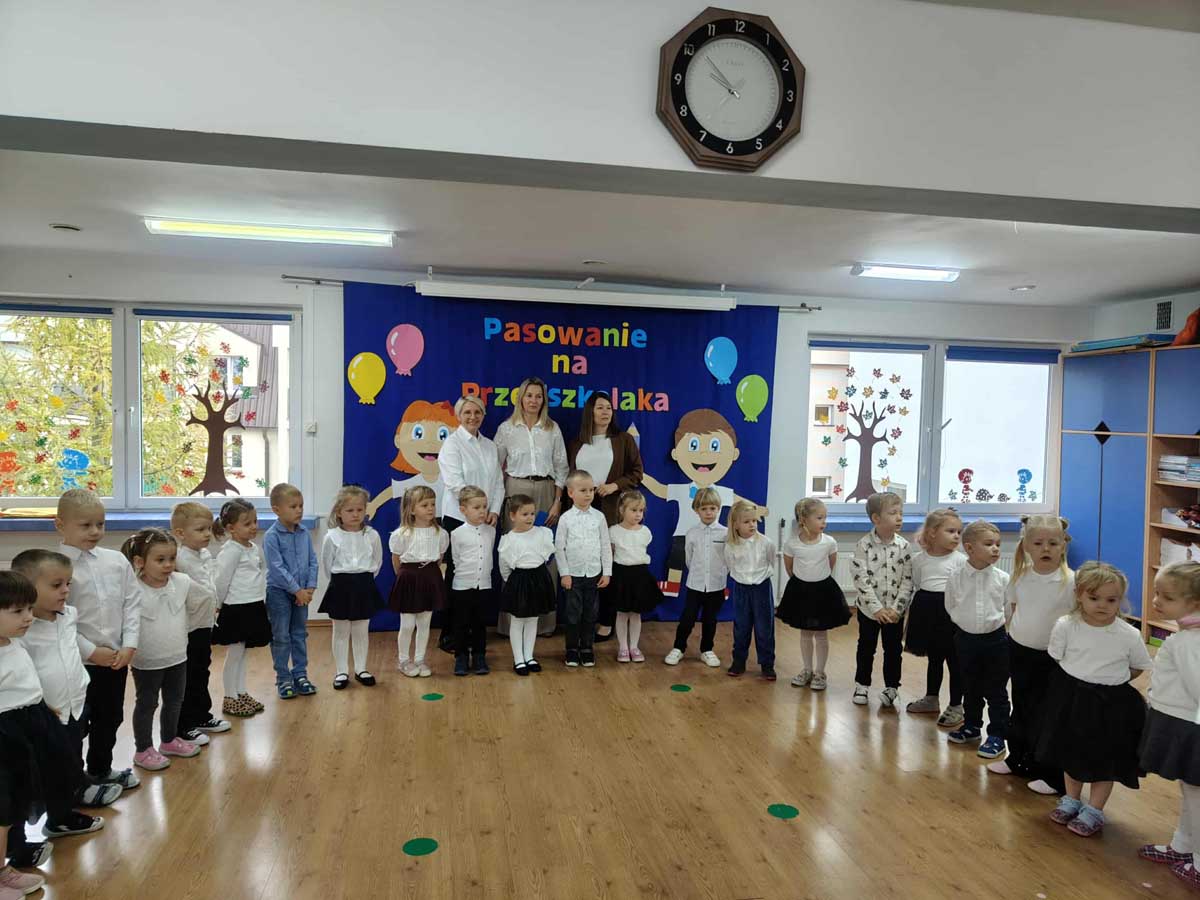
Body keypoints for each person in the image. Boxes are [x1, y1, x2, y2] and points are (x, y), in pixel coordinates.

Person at [1037, 562, 1152, 838]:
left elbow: (1138, 666)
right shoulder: (1066, 625)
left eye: (1111, 600)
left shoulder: (1129, 634)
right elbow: (1058, 657)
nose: (1102, 605)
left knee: (1105, 759)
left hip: (1111, 706)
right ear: (1079, 595)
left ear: (1120, 600)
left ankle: (1095, 810)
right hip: (1072, 699)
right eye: (1094, 598)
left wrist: (1108, 679)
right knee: (1070, 751)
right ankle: (1071, 800)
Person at [11, 550, 110, 841]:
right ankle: (54, 820)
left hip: (75, 704)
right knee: (46, 769)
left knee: (71, 758)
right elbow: (21, 674)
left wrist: (92, 657)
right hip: (45, 712)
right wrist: (41, 706)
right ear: (27, 586)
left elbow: (72, 643)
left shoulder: (69, 615)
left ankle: (67, 807)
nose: (66, 590)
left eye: (68, 583)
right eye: (56, 585)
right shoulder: (21, 630)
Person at [56, 488, 141, 790]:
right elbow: (56, 619)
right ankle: (75, 782)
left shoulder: (116, 561)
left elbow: (132, 603)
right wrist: (91, 652)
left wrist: (129, 644)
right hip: (76, 664)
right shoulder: (55, 568)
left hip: (115, 660)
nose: (95, 531)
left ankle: (101, 770)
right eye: (85, 525)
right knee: (77, 723)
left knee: (111, 718)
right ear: (60, 525)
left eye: (100, 524)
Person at [987, 515, 1074, 793]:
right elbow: (1014, 610)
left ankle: (1052, 775)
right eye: (1038, 543)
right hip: (1020, 650)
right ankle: (1018, 760)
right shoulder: (1020, 576)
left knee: (1049, 715)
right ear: (1026, 546)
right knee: (1022, 706)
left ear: (1063, 545)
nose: (1045, 549)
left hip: (1055, 659)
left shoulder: (1071, 581)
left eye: (1053, 543)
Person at [641, 407, 766, 597]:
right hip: (683, 534)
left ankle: (720, 586)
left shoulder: (721, 492)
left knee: (718, 558)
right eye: (694, 445)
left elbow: (740, 503)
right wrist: (639, 475)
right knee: (677, 557)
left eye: (715, 446)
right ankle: (673, 585)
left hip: (713, 534)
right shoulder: (683, 489)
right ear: (676, 453)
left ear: (733, 453)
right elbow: (659, 489)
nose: (704, 454)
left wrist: (758, 510)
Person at [0, 570, 68, 899]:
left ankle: (8, 863)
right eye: (18, 611)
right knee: (2, 811)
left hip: (26, 726)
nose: (28, 617)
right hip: (4, 735)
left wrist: (40, 705)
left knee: (15, 806)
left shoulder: (13, 643)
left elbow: (22, 682)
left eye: (29, 608)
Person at [121, 529, 208, 772]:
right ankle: (143, 749)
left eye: (172, 558)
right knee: (147, 703)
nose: (168, 565)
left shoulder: (181, 582)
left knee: (174, 701)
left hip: (178, 655)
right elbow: (125, 622)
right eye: (160, 560)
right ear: (140, 562)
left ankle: (168, 740)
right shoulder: (133, 588)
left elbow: (204, 600)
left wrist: (187, 628)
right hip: (148, 659)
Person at [1137, 562, 1200, 890]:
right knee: (1189, 791)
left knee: (1196, 795)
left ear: (1195, 604)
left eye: (1167, 597)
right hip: (1180, 722)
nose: (1156, 601)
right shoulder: (1186, 636)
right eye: (1157, 592)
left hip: (1188, 727)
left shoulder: (1189, 642)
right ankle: (1183, 845)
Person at [565, 393, 642, 640]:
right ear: (590, 412)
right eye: (600, 408)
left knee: (608, 562)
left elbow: (637, 472)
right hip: (581, 509)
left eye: (609, 408)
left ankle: (606, 621)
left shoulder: (623, 439)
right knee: (582, 560)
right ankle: (580, 621)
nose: (605, 412)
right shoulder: (576, 443)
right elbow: (569, 476)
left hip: (610, 507)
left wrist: (614, 486)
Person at [495, 377, 568, 638]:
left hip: (546, 491)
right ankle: (511, 623)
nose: (534, 400)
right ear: (520, 398)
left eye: (538, 396)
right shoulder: (506, 429)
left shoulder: (552, 428)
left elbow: (561, 467)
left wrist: (557, 501)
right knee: (514, 554)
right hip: (515, 489)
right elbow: (495, 467)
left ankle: (545, 624)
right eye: (529, 395)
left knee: (544, 555)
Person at [437, 395, 504, 652]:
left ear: (483, 415)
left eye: (477, 412)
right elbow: (455, 483)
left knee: (480, 573)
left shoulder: (489, 446)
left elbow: (498, 482)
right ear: (458, 415)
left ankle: (474, 634)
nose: (472, 417)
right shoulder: (451, 445)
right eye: (467, 412)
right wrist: (474, 510)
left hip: (486, 519)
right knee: (457, 576)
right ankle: (450, 635)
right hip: (459, 517)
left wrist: (493, 510)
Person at [944, 520, 1011, 760]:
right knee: (970, 686)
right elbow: (951, 605)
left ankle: (998, 735)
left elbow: (1007, 609)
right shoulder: (956, 577)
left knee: (996, 690)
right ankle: (972, 726)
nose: (995, 549)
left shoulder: (1003, 578)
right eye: (989, 544)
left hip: (996, 641)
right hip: (966, 640)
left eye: (998, 544)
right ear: (970, 548)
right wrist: (966, 624)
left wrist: (996, 626)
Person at [170, 501, 230, 743]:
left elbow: (209, 584)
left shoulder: (204, 554)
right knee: (186, 677)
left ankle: (201, 715)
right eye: (200, 529)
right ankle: (183, 724)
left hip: (205, 624)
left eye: (208, 528)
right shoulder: (179, 559)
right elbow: (188, 591)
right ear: (180, 533)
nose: (207, 534)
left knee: (202, 671)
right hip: (187, 628)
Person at [777, 498, 851, 691]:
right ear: (803, 520)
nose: (824, 522)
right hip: (801, 592)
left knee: (821, 634)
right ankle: (807, 669)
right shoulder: (792, 544)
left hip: (823, 592)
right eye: (819, 518)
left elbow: (831, 564)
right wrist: (804, 584)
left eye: (825, 517)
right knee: (805, 633)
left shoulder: (829, 542)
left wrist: (817, 581)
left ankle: (820, 672)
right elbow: (790, 569)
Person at [849, 492, 912, 709]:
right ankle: (862, 685)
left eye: (901, 513)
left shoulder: (904, 546)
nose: (899, 517)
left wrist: (897, 609)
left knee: (893, 650)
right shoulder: (863, 545)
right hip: (869, 611)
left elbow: (907, 581)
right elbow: (861, 579)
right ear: (876, 518)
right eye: (893, 513)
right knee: (866, 648)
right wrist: (876, 609)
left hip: (894, 613)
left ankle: (892, 688)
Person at [903, 508, 965, 725]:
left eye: (959, 532)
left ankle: (956, 705)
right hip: (927, 613)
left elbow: (963, 590)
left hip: (951, 615)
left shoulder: (960, 560)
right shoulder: (919, 560)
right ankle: (931, 698)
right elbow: (918, 582)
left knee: (954, 661)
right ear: (932, 533)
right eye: (951, 531)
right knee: (934, 659)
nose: (956, 536)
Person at [318, 485, 383, 690]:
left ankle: (361, 669)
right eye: (350, 510)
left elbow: (377, 561)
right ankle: (341, 671)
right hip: (341, 586)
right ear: (339, 512)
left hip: (364, 584)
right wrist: (342, 581)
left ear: (365, 510)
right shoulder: (332, 536)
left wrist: (364, 579)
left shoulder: (372, 535)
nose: (355, 514)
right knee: (341, 630)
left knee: (361, 629)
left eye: (359, 510)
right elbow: (327, 565)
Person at [212, 499, 272, 718]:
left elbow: (262, 572)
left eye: (255, 521)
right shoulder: (231, 551)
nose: (254, 527)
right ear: (231, 528)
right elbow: (221, 580)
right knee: (235, 654)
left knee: (244, 654)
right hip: (236, 609)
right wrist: (217, 605)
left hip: (252, 605)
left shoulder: (254, 548)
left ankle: (241, 691)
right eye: (247, 524)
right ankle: (230, 697)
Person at [263, 483, 318, 700]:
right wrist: (296, 590)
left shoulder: (304, 533)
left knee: (299, 634)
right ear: (276, 510)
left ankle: (300, 674)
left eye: (301, 506)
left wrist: (310, 587)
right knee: (281, 637)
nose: (299, 510)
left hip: (302, 592)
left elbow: (312, 560)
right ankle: (283, 678)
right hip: (279, 593)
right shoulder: (271, 536)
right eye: (293, 506)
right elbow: (277, 569)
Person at [388, 485, 449, 677]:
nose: (430, 508)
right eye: (424, 505)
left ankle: (420, 659)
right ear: (412, 509)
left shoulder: (440, 533)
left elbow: (439, 558)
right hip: (409, 578)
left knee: (424, 623)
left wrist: (429, 575)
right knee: (407, 624)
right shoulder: (402, 534)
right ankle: (403, 660)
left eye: (433, 504)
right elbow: (396, 560)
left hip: (430, 577)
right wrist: (406, 578)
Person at [555, 470, 613, 668]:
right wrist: (564, 573)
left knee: (590, 614)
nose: (588, 494)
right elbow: (559, 548)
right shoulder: (565, 518)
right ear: (571, 493)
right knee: (573, 615)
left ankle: (587, 649)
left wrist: (607, 572)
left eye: (591, 490)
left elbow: (605, 545)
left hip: (594, 574)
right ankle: (572, 649)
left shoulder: (599, 517)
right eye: (583, 490)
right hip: (573, 575)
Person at [366, 399, 458, 521]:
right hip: (420, 525)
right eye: (418, 433)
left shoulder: (451, 480)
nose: (430, 443)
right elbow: (393, 491)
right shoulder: (414, 483)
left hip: (447, 524)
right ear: (398, 440)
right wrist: (373, 505)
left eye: (443, 435)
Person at [665, 487, 727, 668]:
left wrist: (720, 574)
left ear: (718, 509)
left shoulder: (725, 533)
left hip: (716, 585)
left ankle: (707, 650)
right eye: (704, 509)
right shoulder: (692, 533)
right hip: (695, 584)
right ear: (696, 510)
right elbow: (689, 559)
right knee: (688, 618)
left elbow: (728, 558)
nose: (708, 512)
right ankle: (678, 648)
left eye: (712, 508)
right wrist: (698, 573)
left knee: (710, 619)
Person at [498, 494, 557, 676]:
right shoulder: (509, 539)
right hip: (519, 580)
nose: (530, 517)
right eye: (524, 514)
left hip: (538, 578)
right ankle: (518, 659)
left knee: (533, 619)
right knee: (518, 621)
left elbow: (546, 557)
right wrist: (513, 583)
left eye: (532, 513)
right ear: (512, 516)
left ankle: (529, 656)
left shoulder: (542, 533)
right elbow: (504, 566)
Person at [607, 490, 664, 663]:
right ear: (622, 510)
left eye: (641, 510)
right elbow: (610, 554)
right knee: (622, 613)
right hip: (621, 574)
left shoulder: (645, 531)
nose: (638, 514)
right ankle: (623, 647)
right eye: (633, 510)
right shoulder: (613, 531)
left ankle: (634, 646)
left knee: (636, 613)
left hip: (640, 575)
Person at [724, 499, 777, 680]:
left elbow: (771, 561)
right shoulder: (731, 545)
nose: (752, 525)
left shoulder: (766, 543)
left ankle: (767, 664)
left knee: (764, 627)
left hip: (762, 587)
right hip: (741, 588)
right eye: (746, 521)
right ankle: (739, 661)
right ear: (736, 524)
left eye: (754, 520)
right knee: (741, 627)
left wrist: (759, 578)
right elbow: (730, 565)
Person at [450, 486, 496, 676]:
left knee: (480, 623)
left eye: (484, 507)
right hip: (462, 586)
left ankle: (479, 656)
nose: (482, 511)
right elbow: (456, 559)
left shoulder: (490, 532)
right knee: (461, 623)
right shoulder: (457, 534)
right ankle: (461, 657)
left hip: (483, 585)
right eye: (476, 507)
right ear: (463, 510)